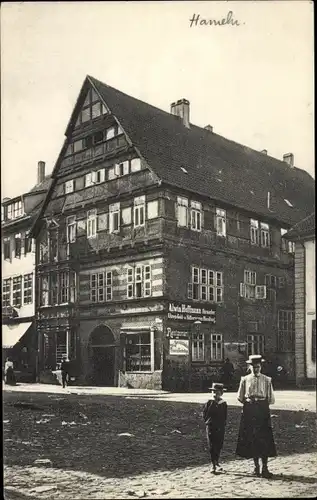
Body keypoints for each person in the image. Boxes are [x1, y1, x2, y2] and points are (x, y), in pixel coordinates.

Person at [236, 354, 277, 479]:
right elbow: (240, 397)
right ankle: (256, 467)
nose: (256, 369)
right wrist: (250, 404)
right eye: (253, 367)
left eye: (258, 367)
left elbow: (271, 399)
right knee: (252, 438)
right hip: (250, 409)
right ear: (250, 367)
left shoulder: (267, 380)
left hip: (262, 410)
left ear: (261, 366)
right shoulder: (245, 379)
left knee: (264, 438)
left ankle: (265, 467)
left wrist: (260, 403)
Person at [203, 382, 228, 474]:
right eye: (214, 392)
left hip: (220, 426)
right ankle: (213, 464)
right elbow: (205, 414)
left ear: (221, 393)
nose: (216, 394)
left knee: (219, 444)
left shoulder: (223, 403)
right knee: (212, 445)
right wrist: (208, 422)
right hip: (211, 426)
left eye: (218, 392)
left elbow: (225, 415)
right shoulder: (209, 402)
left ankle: (217, 461)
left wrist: (223, 424)